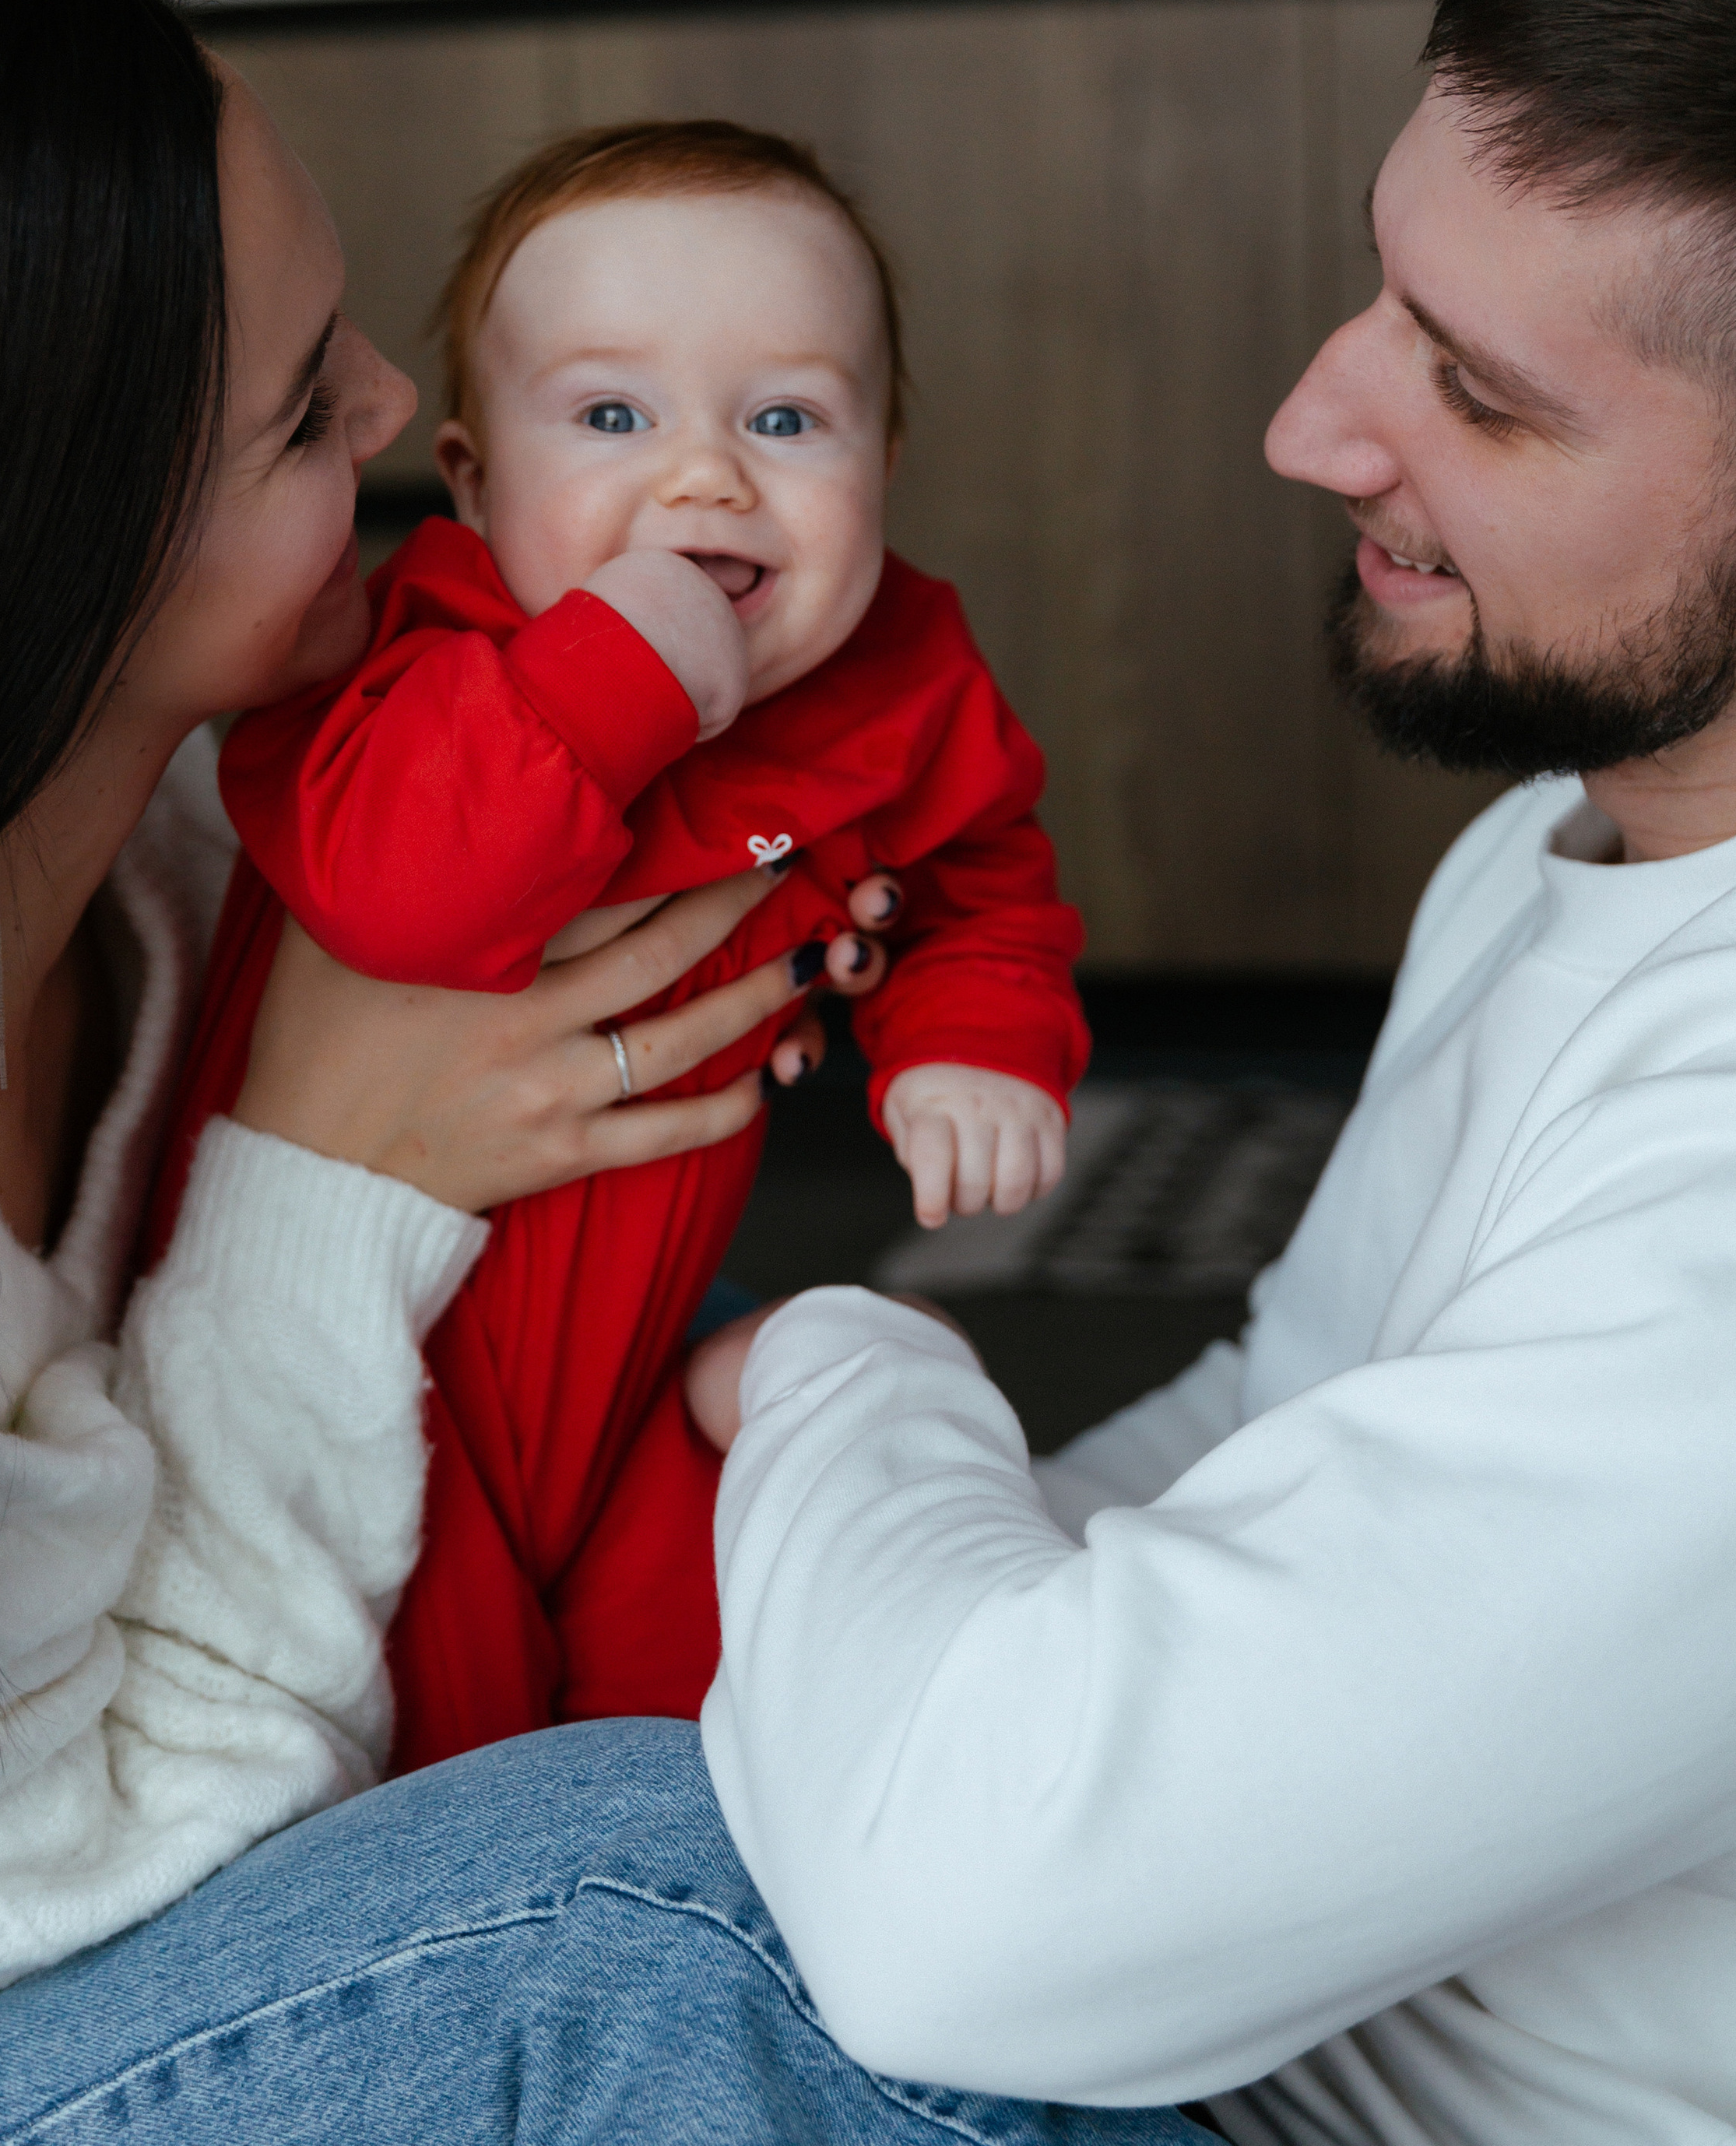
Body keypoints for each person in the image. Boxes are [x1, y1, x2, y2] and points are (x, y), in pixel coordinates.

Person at [0, 0, 1091, 2145]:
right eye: (305, 409)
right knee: (665, 1895)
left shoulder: (173, 866)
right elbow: (22, 1903)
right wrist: (315, 1174)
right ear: (35, 557)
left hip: (209, 1704)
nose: (393, 410)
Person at [684, 0, 1736, 2143]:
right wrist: (893, 1607)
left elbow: (974, 1915)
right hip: (1216, 2026)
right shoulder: (1567, 837)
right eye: (1385, 293)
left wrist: (854, 1365)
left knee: (581, 1961)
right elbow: (1300, 1405)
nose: (1314, 427)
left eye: (1477, 391)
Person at [148, 118, 1083, 1772]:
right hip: (380, 1393)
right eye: (609, 417)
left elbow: (978, 871)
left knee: (735, 1727)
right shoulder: (402, 672)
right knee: (466, 1750)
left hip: (640, 1359)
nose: (706, 475)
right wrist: (616, 676)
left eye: (786, 419)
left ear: (880, 470)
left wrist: (970, 1042)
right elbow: (399, 901)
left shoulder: (900, 681)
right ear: (470, 480)